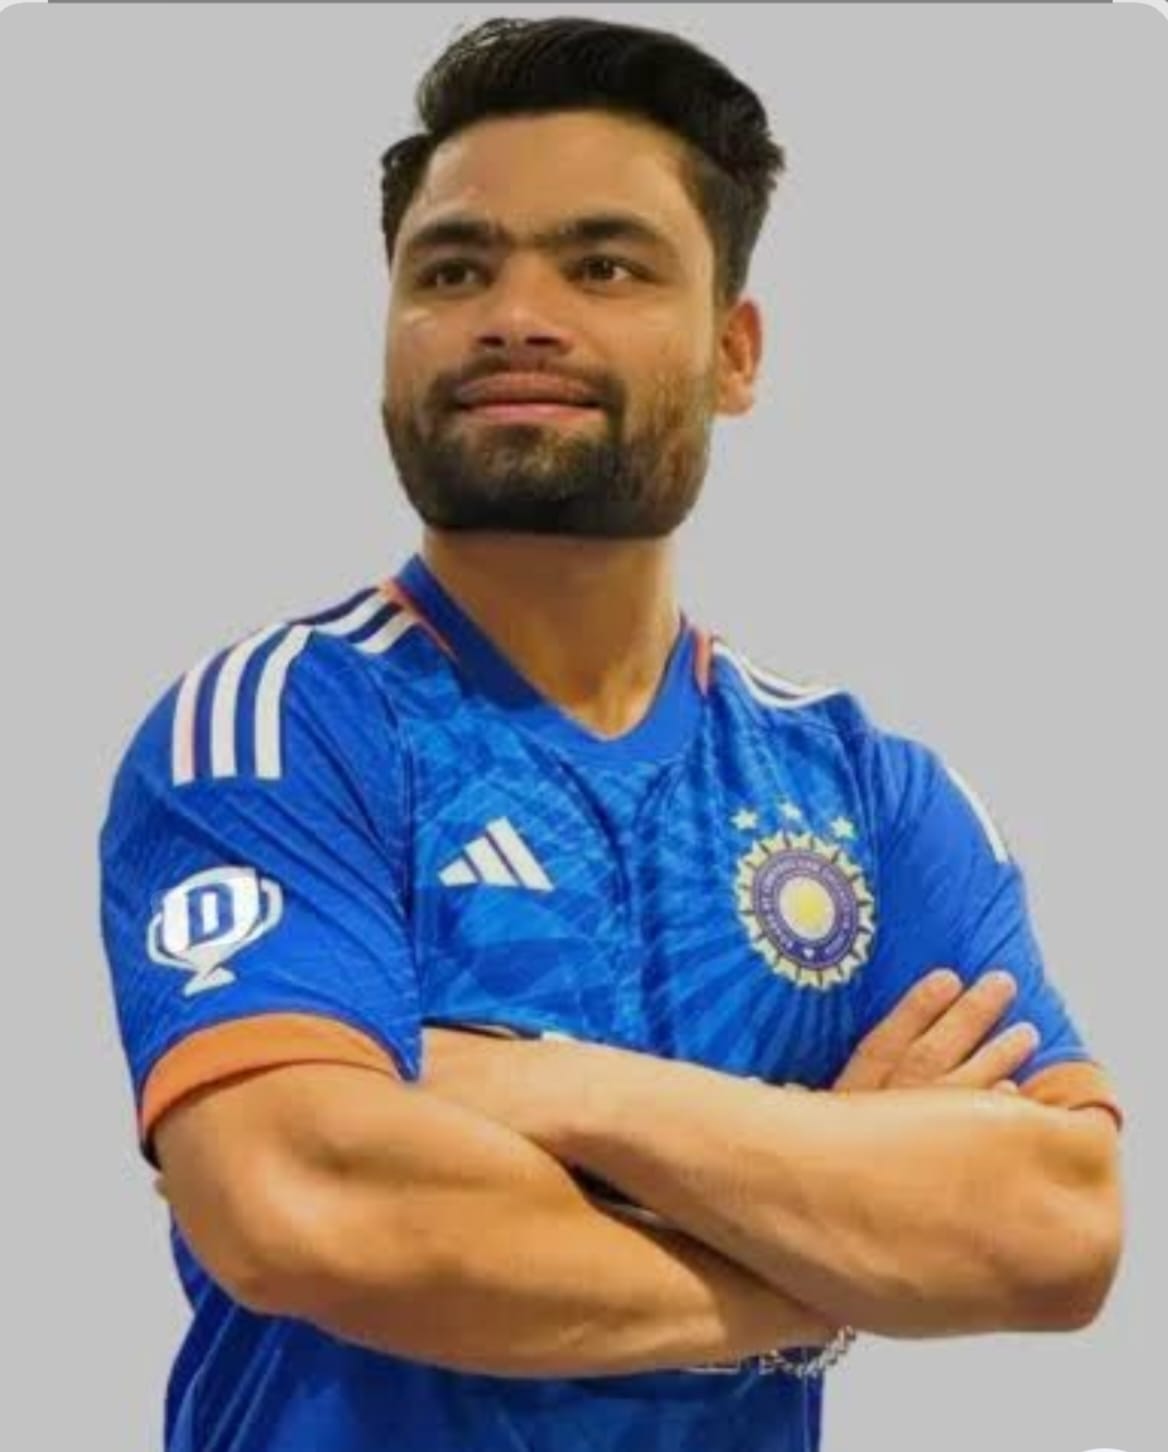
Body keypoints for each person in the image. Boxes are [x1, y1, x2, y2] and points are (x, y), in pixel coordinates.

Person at [98, 15, 1125, 1452]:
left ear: (735, 352)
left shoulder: (869, 790)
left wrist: (542, 1087)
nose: (515, 315)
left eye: (605, 267)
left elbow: (1055, 1230)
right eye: (453, 270)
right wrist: (823, 1253)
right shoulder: (275, 732)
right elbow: (308, 1202)